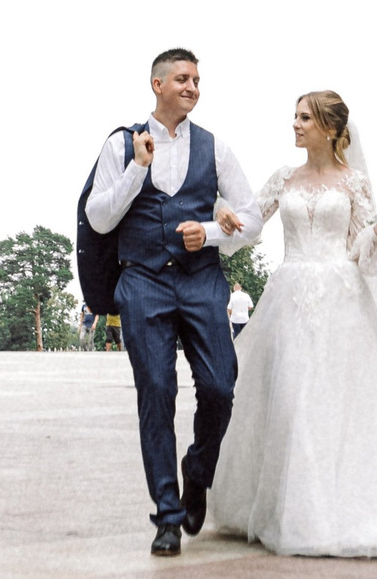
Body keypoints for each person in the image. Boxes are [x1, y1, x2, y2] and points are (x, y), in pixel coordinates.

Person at [207, 91, 377, 559]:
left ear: (331, 129)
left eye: (305, 118)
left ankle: (344, 513)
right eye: (294, 117)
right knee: (292, 397)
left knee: (336, 402)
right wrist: (224, 217)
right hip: (289, 297)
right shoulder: (283, 178)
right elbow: (252, 223)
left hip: (341, 300)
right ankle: (291, 509)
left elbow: (361, 254)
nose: (295, 125)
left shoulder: (353, 183)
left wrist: (376, 233)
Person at [83, 48, 264, 557]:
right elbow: (99, 219)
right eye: (183, 79)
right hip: (142, 283)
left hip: (202, 280)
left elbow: (250, 219)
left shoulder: (214, 147)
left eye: (198, 80)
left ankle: (197, 471)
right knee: (157, 393)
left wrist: (207, 233)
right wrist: (137, 170)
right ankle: (166, 514)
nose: (193, 87)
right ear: (157, 84)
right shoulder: (121, 145)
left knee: (220, 387)